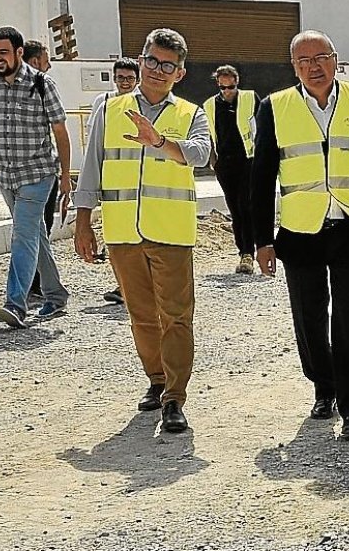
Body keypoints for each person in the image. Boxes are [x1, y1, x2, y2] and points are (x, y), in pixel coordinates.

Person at [251, 30, 349, 442]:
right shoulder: (274, 107)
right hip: (300, 229)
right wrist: (262, 240)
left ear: (335, 59)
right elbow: (261, 178)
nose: (314, 66)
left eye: (321, 57)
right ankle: (323, 387)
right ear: (293, 67)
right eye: (304, 60)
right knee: (309, 317)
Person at [72, 28, 210, 434]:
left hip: (170, 231)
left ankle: (174, 398)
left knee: (177, 317)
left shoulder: (190, 113)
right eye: (151, 60)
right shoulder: (110, 109)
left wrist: (161, 141)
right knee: (141, 316)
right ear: (141, 59)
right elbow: (93, 164)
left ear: (179, 74)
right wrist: (83, 220)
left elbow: (201, 154)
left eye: (167, 65)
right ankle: (157, 379)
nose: (156, 70)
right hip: (122, 230)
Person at [0, 26, 71, 327]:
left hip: (37, 173)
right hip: (6, 174)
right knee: (34, 233)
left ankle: (15, 303)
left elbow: (60, 131)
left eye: (4, 52)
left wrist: (65, 177)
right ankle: (56, 295)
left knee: (22, 234)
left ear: (20, 52)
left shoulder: (41, 84)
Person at [89, 58, 141, 306]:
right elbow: (95, 144)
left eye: (129, 79)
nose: (124, 83)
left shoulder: (144, 105)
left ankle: (131, 286)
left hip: (139, 185)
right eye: (120, 78)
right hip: (112, 184)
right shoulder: (104, 104)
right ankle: (123, 285)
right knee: (116, 239)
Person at [21, 40, 63, 309]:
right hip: (40, 171)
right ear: (35, 61)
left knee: (31, 230)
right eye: (46, 60)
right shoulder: (41, 86)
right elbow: (58, 130)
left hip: (20, 172)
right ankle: (35, 286)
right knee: (38, 229)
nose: (48, 66)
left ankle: (32, 285)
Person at [204, 65, 257, 274]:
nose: (227, 91)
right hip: (225, 164)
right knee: (235, 208)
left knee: (246, 205)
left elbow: (262, 127)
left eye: (231, 87)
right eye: (223, 87)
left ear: (237, 83)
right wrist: (213, 160)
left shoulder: (250, 99)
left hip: (248, 160)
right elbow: (208, 132)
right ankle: (242, 251)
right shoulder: (209, 105)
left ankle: (248, 254)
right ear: (218, 84)